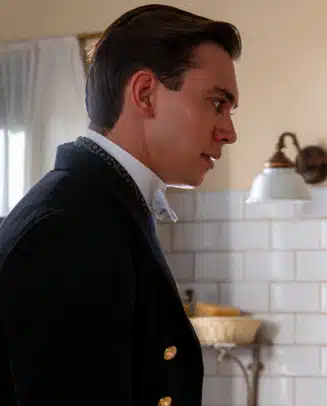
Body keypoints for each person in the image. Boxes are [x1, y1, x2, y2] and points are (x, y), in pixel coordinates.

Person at [0, 4, 240, 405]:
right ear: (145, 94)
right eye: (217, 103)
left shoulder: (98, 207)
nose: (229, 132)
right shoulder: (71, 228)